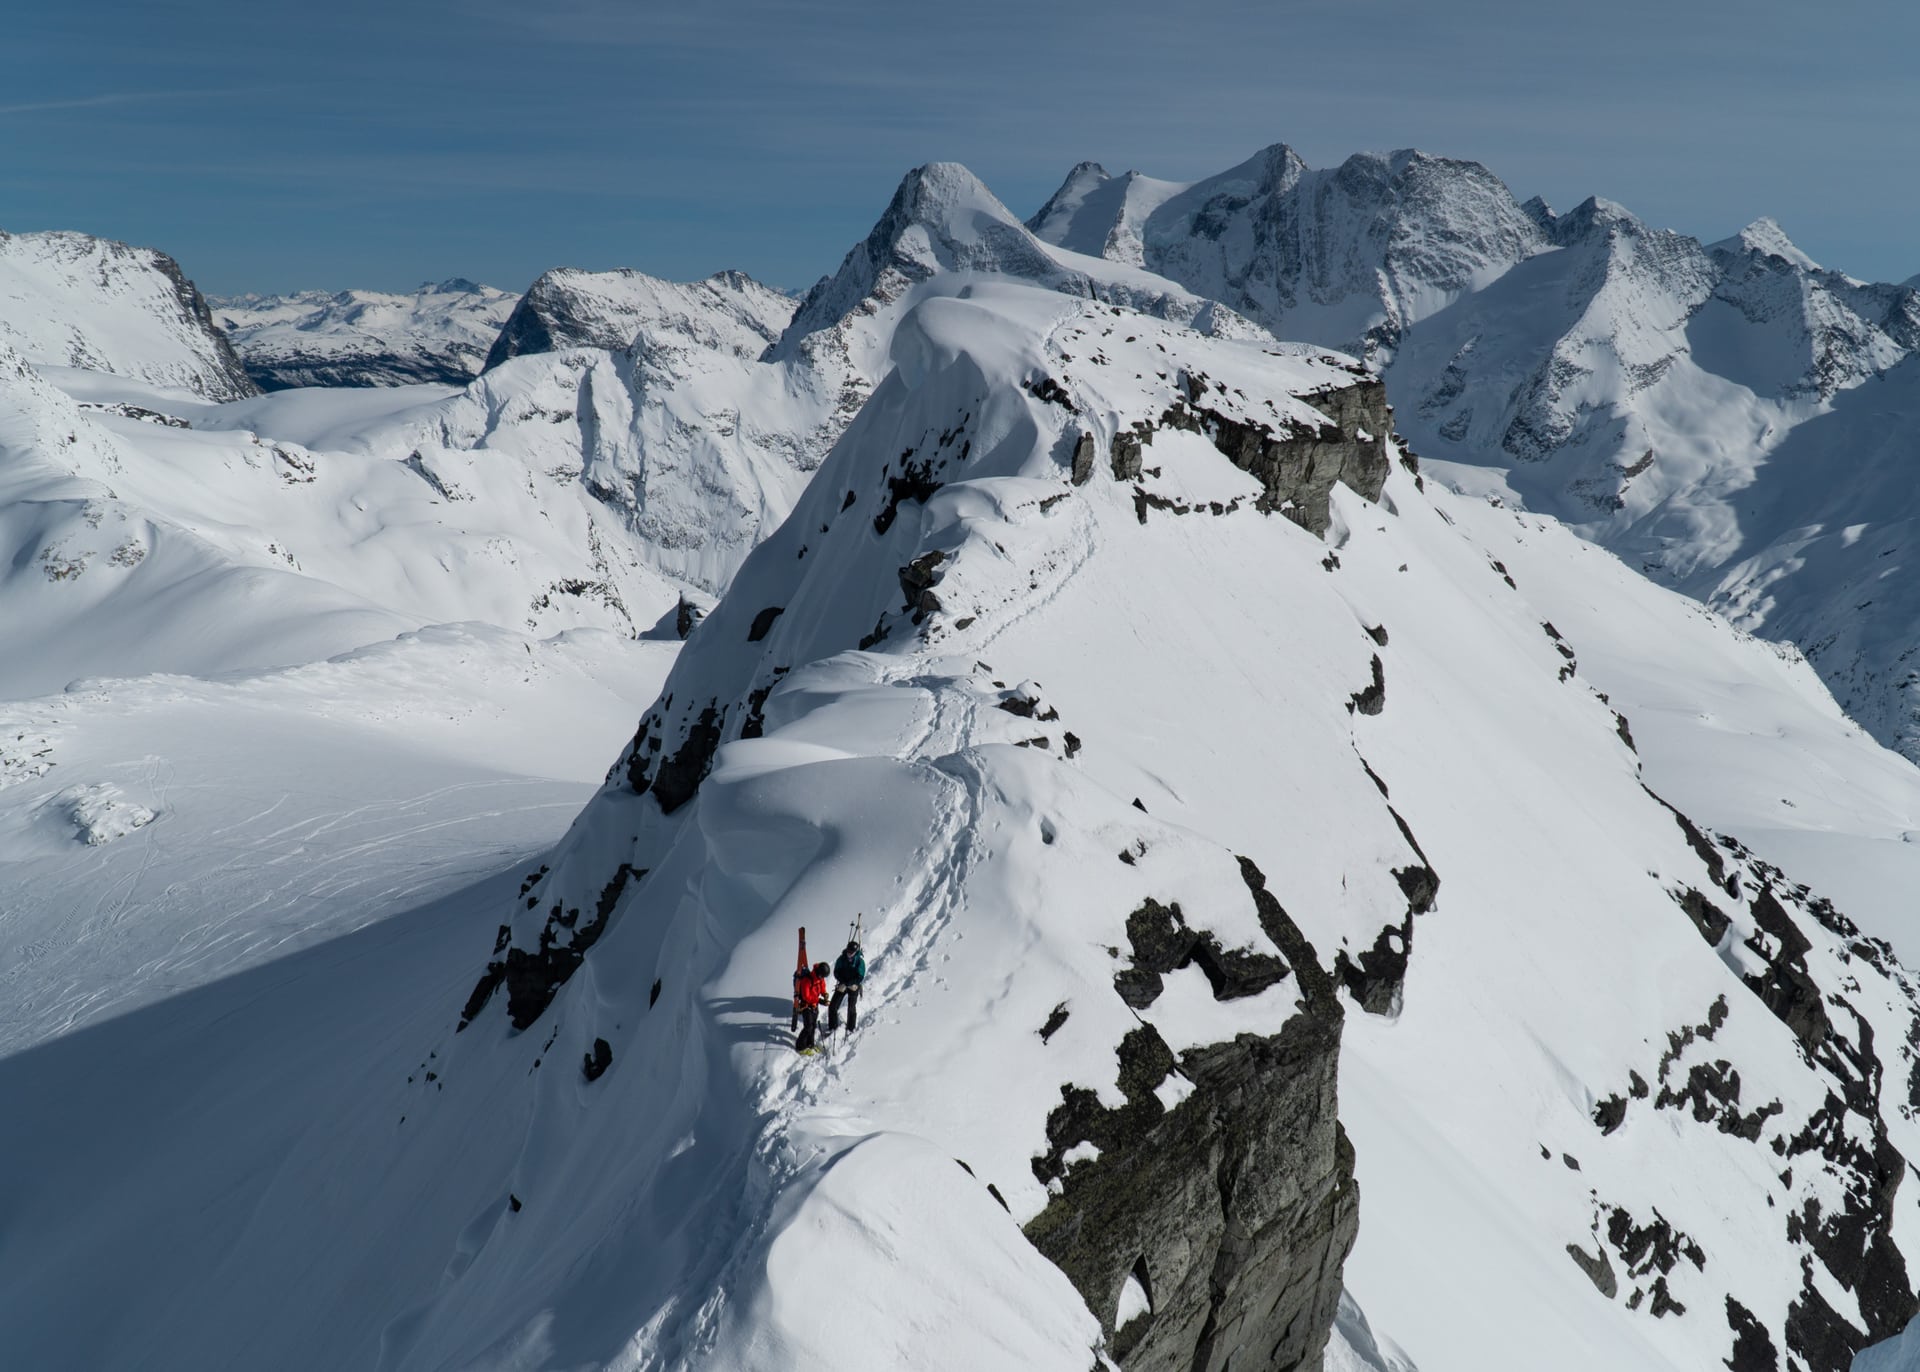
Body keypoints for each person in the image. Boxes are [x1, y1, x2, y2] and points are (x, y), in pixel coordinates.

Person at [828, 939, 866, 1033]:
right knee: (833, 1006)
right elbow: (836, 972)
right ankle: (833, 1026)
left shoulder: (860, 961)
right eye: (848, 951)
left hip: (853, 985)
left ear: (855, 952)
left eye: (851, 952)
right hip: (843, 983)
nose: (849, 954)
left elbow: (860, 976)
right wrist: (842, 980)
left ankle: (850, 1028)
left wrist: (851, 982)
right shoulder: (841, 959)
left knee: (851, 1007)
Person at [794, 961, 829, 1054]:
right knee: (808, 1027)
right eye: (822, 976)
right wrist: (820, 1001)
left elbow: (822, 987)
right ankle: (800, 1047)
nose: (822, 978)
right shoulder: (807, 980)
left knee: (813, 1026)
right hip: (806, 1006)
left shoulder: (820, 978)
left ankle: (810, 1044)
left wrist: (824, 994)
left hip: (814, 1006)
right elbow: (806, 996)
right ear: (818, 972)